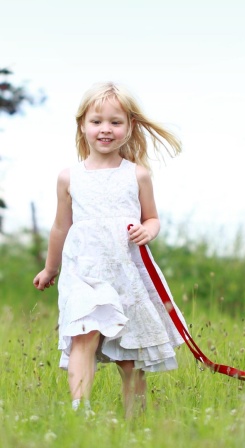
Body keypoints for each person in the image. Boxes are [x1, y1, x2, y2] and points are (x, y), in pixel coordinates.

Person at [33, 82, 187, 418]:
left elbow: (153, 217)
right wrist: (50, 268)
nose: (106, 129)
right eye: (97, 121)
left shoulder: (138, 175)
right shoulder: (68, 177)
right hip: (84, 272)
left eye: (115, 122)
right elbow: (61, 226)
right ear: (82, 126)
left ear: (130, 126)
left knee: (129, 351)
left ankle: (136, 417)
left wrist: (149, 230)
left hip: (125, 271)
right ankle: (80, 410)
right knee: (82, 335)